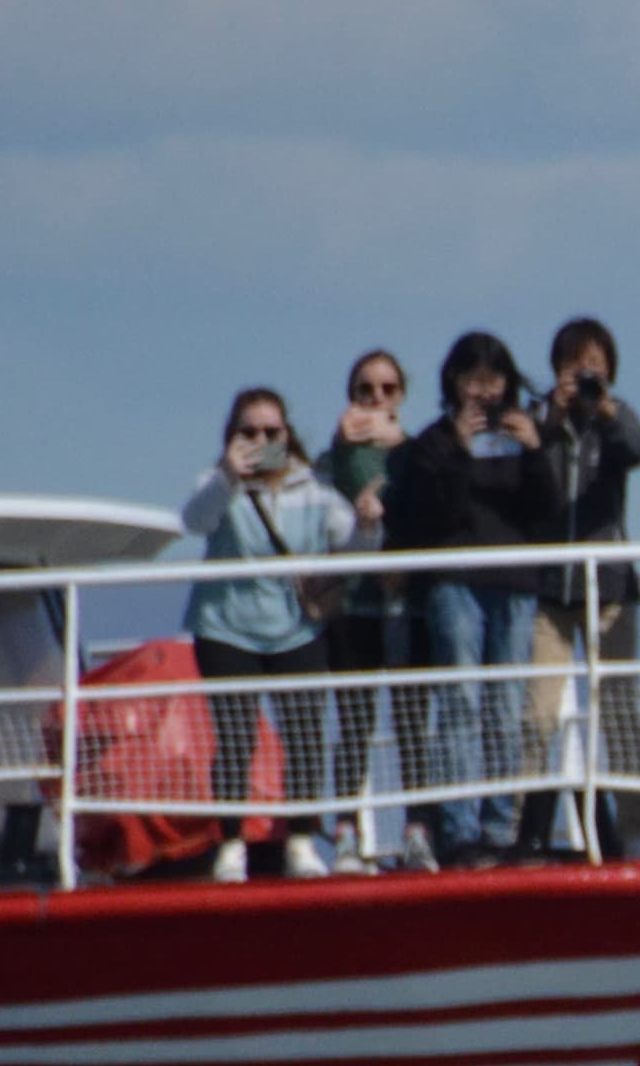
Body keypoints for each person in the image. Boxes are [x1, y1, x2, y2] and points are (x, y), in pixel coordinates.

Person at [383, 329, 561, 861]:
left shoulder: (525, 437)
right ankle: (460, 829)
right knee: (459, 701)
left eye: (494, 380)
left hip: (514, 583)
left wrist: (535, 452)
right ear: (454, 383)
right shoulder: (433, 443)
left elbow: (547, 512)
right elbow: (431, 516)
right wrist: (459, 453)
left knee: (506, 705)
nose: (484, 392)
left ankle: (501, 829)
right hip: (455, 580)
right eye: (473, 380)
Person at [178, 386, 363, 880]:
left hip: (297, 627)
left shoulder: (314, 488)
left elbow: (357, 543)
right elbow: (194, 521)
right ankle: (231, 847)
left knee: (304, 735)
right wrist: (228, 478)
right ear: (231, 437)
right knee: (235, 738)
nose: (261, 441)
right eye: (250, 432)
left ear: (288, 435)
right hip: (226, 626)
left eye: (271, 432)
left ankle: (300, 843)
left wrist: (368, 522)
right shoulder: (215, 482)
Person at [518, 315, 640, 856]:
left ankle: (635, 829)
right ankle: (523, 830)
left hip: (610, 588)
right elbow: (523, 473)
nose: (584, 378)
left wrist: (606, 412)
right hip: (551, 591)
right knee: (537, 713)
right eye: (574, 367)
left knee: (619, 713)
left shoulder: (615, 420)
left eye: (594, 368)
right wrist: (550, 419)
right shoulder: (541, 421)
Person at [312, 349, 412, 860]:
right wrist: (345, 446)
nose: (376, 398)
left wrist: (402, 452)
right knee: (354, 724)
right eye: (365, 390)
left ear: (402, 395)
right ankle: (347, 831)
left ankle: (419, 831)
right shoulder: (330, 461)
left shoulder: (418, 454)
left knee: (412, 721)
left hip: (402, 603)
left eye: (387, 389)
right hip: (351, 604)